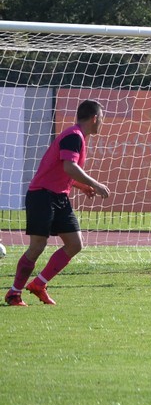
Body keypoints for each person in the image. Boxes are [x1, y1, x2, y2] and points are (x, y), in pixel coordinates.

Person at [5, 100, 111, 306]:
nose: (102, 123)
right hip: (42, 195)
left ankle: (39, 284)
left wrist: (81, 186)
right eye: (102, 119)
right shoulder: (73, 135)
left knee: (75, 244)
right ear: (95, 118)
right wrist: (95, 184)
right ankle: (14, 293)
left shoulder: (78, 136)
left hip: (59, 196)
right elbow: (69, 167)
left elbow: (63, 170)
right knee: (37, 246)